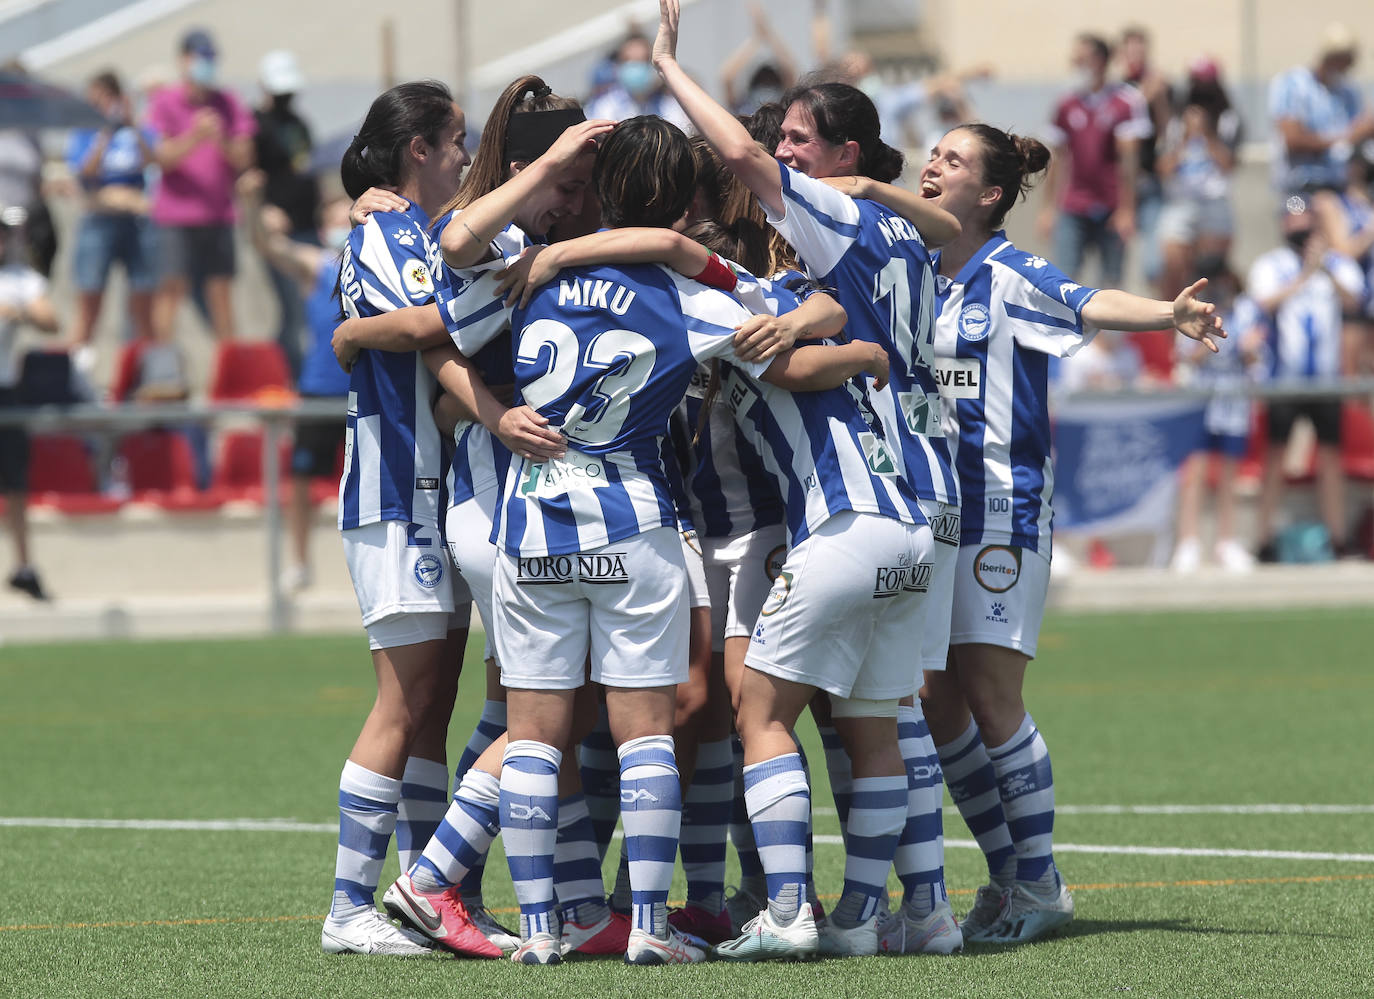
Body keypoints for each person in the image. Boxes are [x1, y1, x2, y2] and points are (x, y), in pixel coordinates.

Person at [651, 0, 965, 959]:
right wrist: (847, 341)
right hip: (917, 512)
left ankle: (787, 911)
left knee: (761, 713)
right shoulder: (903, 246)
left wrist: (669, 66)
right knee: (877, 721)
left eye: (797, 140)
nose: (778, 155)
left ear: (844, 158)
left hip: (847, 519)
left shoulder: (816, 234)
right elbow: (858, 312)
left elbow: (744, 187)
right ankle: (888, 918)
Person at [907, 122, 1223, 944]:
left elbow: (1087, 301)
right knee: (936, 700)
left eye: (954, 160)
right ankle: (1011, 873)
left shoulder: (1009, 272)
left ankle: (1039, 879)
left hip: (1001, 509)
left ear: (990, 195)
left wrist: (1167, 312)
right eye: (932, 153)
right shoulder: (910, 267)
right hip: (931, 513)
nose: (931, 165)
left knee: (991, 695)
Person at [320, 79, 473, 957]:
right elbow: (428, 326)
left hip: (433, 494)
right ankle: (349, 909)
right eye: (455, 137)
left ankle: (428, 889)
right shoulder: (383, 229)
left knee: (432, 702)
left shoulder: (415, 229)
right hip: (394, 493)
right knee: (402, 700)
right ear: (419, 145)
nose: (463, 152)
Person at [237, 169, 349, 592]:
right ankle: (299, 564)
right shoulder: (316, 265)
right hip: (319, 391)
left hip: (364, 392)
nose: (343, 229)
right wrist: (250, 203)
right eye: (337, 222)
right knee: (302, 481)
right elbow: (264, 244)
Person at [1249, 197, 1365, 562]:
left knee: (1331, 455)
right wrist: (1303, 276)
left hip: (1325, 379)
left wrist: (1324, 268)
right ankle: (1264, 538)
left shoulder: (1337, 265)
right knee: (1276, 455)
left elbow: (1354, 302)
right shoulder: (1272, 265)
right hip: (1285, 378)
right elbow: (1264, 303)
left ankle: (1337, 537)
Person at [144, 28, 255, 344]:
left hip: (218, 215)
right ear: (183, 61)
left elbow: (244, 157)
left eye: (210, 57)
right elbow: (159, 157)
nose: (205, 64)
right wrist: (194, 136)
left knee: (220, 291)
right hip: (175, 217)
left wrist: (220, 138)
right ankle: (162, 363)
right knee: (171, 288)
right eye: (198, 57)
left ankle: (228, 367)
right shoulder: (165, 101)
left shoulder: (229, 101)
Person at [1171, 257, 1266, 573]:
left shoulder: (1247, 311)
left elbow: (1255, 361)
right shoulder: (1189, 312)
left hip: (1234, 405)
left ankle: (1227, 542)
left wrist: (1250, 348)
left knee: (1230, 476)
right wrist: (1204, 334)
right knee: (1194, 474)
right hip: (1200, 402)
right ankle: (1189, 542)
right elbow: (1186, 362)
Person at [1037, 33, 1152, 289]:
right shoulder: (1066, 104)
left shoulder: (1126, 101)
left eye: (1082, 59)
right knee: (1062, 280)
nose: (1076, 65)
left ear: (1100, 61)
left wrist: (1127, 209)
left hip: (1111, 206)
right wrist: (1048, 208)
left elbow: (1129, 159)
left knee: (1111, 282)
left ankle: (1109, 331)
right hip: (1074, 204)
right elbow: (1057, 157)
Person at [63, 70, 158, 372]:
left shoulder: (137, 131)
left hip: (137, 225)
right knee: (90, 301)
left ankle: (148, 374)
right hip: (98, 222)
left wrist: (134, 124)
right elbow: (85, 171)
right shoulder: (86, 132)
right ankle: (78, 371)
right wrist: (104, 133)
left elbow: (153, 161)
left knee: (143, 305)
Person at [0, 207, 59, 600]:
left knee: (15, 482)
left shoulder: (19, 280)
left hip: (4, 390)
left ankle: (23, 566)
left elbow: (50, 320)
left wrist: (16, 311)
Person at [253, 49, 319, 383]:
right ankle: (292, 381)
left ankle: (289, 376)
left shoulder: (299, 124)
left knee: (308, 311)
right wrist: (263, 210)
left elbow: (307, 169)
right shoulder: (255, 125)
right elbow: (249, 176)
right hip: (279, 230)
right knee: (292, 311)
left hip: (308, 225)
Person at [1156, 59, 1243, 299]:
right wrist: (1185, 137)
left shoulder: (1229, 120)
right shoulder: (1175, 122)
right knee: (1173, 266)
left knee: (1212, 269)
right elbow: (1163, 167)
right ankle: (1171, 327)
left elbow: (1229, 165)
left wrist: (1207, 134)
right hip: (1180, 201)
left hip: (1214, 201)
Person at [1269, 23, 1374, 195]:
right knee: (1299, 218)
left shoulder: (1349, 91)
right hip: (1299, 187)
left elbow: (1362, 131)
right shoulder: (1294, 84)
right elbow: (1293, 139)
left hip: (1340, 186)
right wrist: (1348, 137)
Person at [1312, 151, 1374, 374]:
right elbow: (1344, 250)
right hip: (1353, 300)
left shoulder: (1367, 204)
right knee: (1353, 376)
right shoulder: (1334, 202)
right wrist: (1369, 232)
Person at [584, 29, 691, 133]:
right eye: (628, 61)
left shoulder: (671, 105)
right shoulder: (605, 107)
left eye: (642, 60)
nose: (635, 67)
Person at [718, 2, 798, 114]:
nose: (766, 88)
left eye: (771, 82)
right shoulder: (742, 105)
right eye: (761, 83)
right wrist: (755, 41)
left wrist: (769, 36)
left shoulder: (784, 105)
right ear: (752, 85)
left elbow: (790, 69)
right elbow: (726, 76)